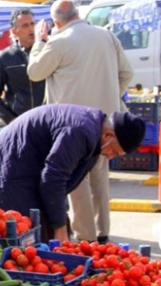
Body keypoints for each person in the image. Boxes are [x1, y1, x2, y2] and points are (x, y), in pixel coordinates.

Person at [27, 0, 134, 243]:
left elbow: (35, 72)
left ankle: (87, 239)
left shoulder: (58, 42)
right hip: (106, 122)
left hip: (73, 125)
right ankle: (103, 231)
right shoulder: (106, 36)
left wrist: (40, 41)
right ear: (77, 13)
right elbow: (126, 74)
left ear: (56, 22)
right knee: (99, 176)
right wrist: (109, 95)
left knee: (77, 181)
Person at [0, 104, 146, 243]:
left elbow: (61, 183)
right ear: (109, 134)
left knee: (45, 233)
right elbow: (53, 179)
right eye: (114, 151)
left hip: (26, 167)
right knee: (26, 235)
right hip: (3, 168)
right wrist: (59, 228)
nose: (110, 156)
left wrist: (58, 224)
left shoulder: (94, 136)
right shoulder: (79, 131)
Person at [0, 9, 45, 124]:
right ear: (15, 31)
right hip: (20, 120)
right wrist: (10, 119)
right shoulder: (5, 57)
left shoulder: (47, 51)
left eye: (32, 24)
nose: (31, 28)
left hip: (47, 117)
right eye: (25, 25)